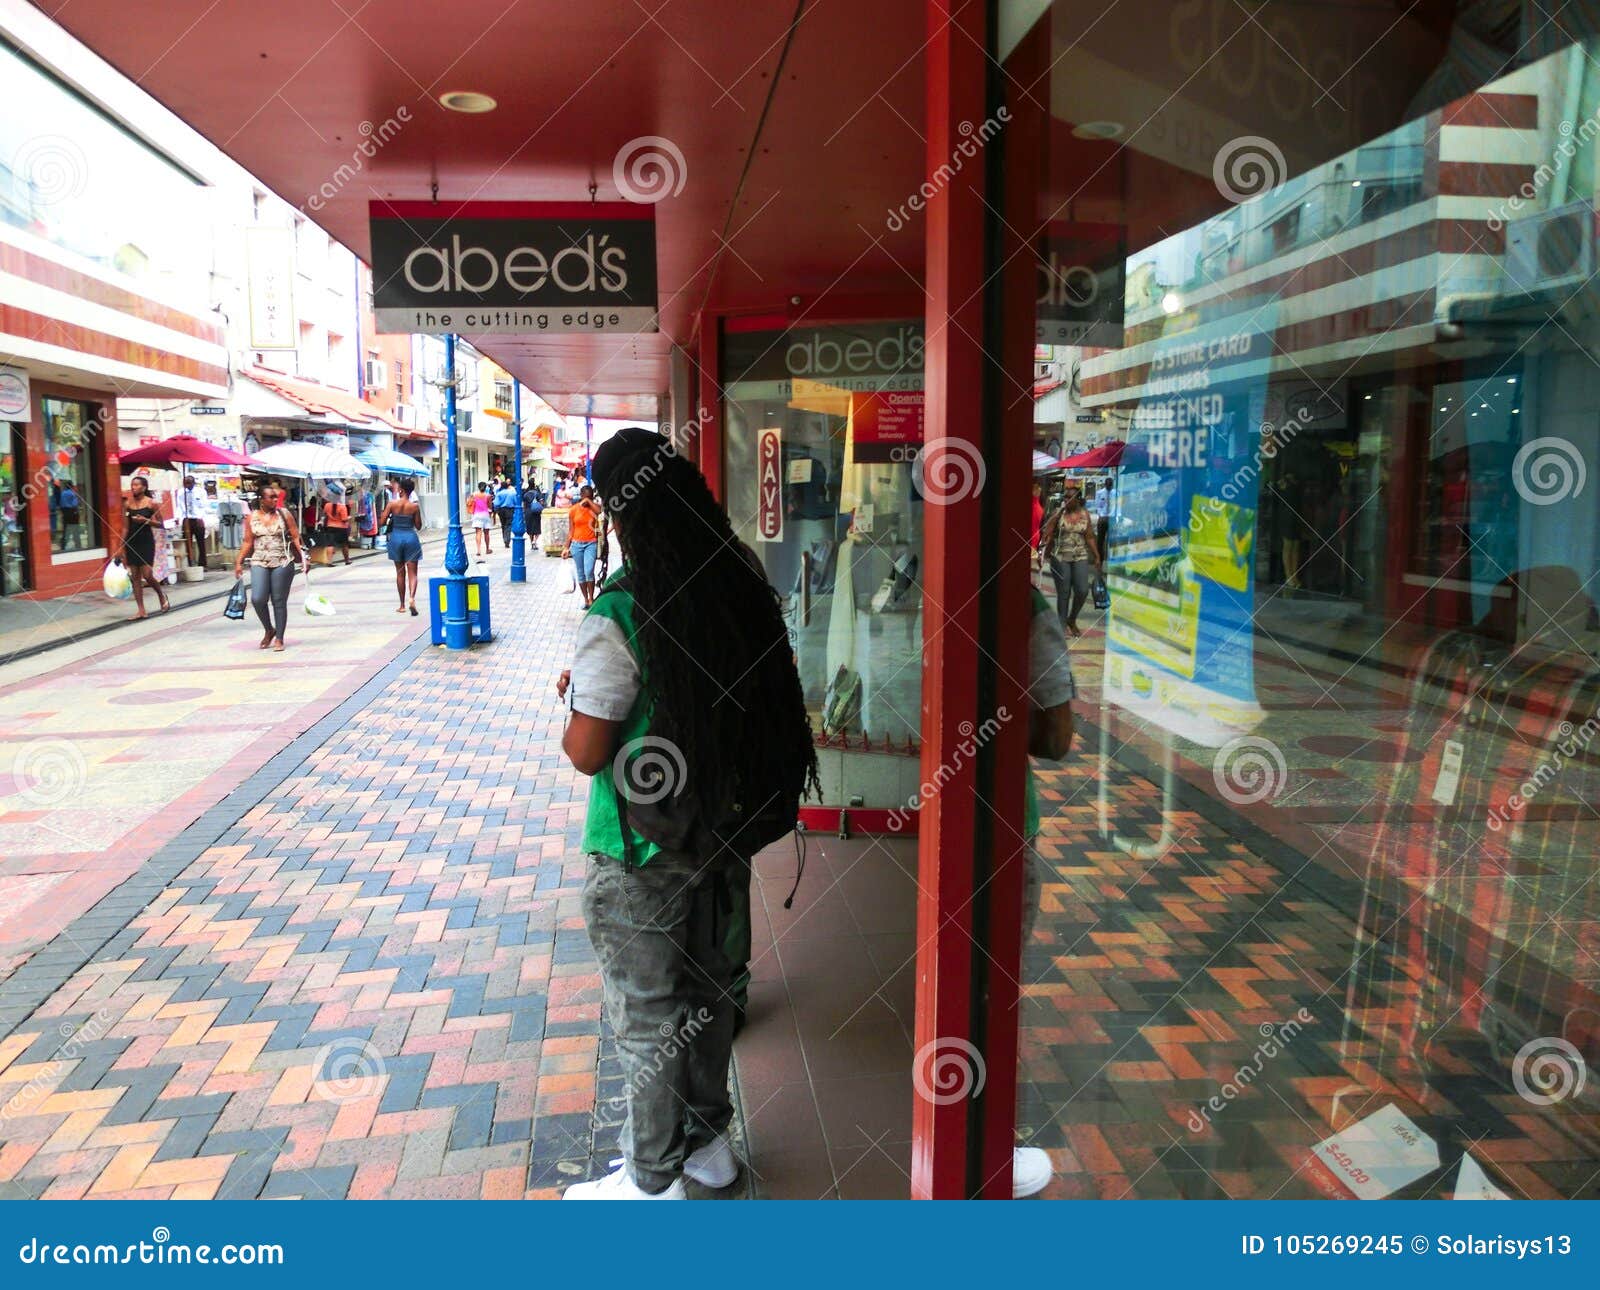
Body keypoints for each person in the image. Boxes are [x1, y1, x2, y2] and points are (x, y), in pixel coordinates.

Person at [556, 427, 818, 1200]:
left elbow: (586, 750)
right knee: (707, 998)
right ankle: (707, 1147)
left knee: (646, 1018)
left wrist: (575, 699)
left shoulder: (623, 605)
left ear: (618, 509)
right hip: (718, 841)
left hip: (640, 850)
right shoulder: (736, 583)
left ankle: (651, 1184)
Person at [1012, 583, 1078, 1197]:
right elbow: (1057, 736)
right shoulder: (1025, 606)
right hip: (1001, 821)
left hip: (918, 808)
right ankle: (983, 1140)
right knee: (991, 982)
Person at [234, 485, 306, 652]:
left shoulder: (284, 514)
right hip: (259, 560)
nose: (275, 500)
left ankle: (279, 637)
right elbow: (247, 541)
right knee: (258, 599)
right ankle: (269, 629)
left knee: (278, 600)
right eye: (271, 497)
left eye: (276, 497)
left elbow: (296, 536)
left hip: (282, 559)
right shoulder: (252, 517)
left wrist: (304, 557)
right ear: (261, 499)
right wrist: (239, 561)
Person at [1041, 487, 1100, 637]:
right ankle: (1061, 625)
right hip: (1060, 556)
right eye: (1065, 498)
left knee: (1082, 590)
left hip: (1080, 556)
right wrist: (1057, 514)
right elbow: (1046, 533)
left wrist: (1097, 555)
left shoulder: (1084, 514)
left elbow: (1089, 536)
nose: (1066, 500)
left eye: (1069, 498)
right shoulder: (1058, 513)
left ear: (1077, 499)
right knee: (1064, 591)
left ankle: (1071, 619)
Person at [121, 475, 169, 620]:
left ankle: (161, 595)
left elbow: (161, 524)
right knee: (135, 577)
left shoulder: (151, 504)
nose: (133, 487)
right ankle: (141, 610)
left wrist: (146, 521)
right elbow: (125, 527)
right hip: (132, 542)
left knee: (147, 575)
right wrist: (121, 546)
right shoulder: (127, 504)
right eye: (132, 485)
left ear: (144, 487)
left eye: (136, 485)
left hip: (146, 542)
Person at [379, 477, 424, 615]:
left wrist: (392, 518)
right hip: (411, 538)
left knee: (400, 573)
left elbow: (381, 522)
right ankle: (412, 598)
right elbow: (418, 526)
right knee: (413, 573)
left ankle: (402, 605)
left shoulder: (392, 504)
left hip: (396, 538)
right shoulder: (414, 506)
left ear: (401, 490)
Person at [563, 484, 602, 608]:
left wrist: (589, 502)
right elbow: (571, 530)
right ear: (580, 496)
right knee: (581, 573)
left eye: (590, 497)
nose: (587, 499)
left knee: (589, 570)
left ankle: (591, 597)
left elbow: (599, 511)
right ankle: (586, 599)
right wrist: (566, 547)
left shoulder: (594, 508)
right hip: (576, 545)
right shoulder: (574, 510)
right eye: (585, 497)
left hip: (591, 543)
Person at [176, 474, 206, 567]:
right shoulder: (181, 492)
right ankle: (190, 563)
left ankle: (203, 564)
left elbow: (204, 505)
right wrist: (179, 517)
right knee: (187, 542)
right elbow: (179, 506)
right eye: (185, 483)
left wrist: (200, 517)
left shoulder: (200, 492)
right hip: (187, 519)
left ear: (193, 483)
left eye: (189, 483)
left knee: (200, 542)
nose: (187, 485)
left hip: (197, 518)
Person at [320, 484, 352, 565]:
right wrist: (349, 517)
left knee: (330, 544)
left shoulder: (327, 505)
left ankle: (329, 561)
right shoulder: (342, 507)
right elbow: (344, 519)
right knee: (344, 545)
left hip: (330, 526)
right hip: (341, 528)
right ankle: (347, 560)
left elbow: (325, 514)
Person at [468, 482, 494, 561]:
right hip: (485, 515)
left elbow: (470, 503)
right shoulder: (488, 496)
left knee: (478, 533)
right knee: (486, 533)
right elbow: (489, 506)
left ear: (478, 487)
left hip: (476, 515)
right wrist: (491, 513)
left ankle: (478, 550)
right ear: (486, 488)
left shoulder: (474, 495)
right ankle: (487, 549)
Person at [493, 477, 518, 548]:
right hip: (510, 509)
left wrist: (496, 510)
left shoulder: (499, 494)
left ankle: (504, 538)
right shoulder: (512, 493)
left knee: (503, 524)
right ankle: (507, 540)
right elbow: (516, 502)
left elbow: (496, 503)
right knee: (508, 524)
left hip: (501, 510)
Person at [58, 480, 83, 552]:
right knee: (75, 531)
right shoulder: (72, 493)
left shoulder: (63, 493)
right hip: (73, 513)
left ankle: (63, 546)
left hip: (65, 513)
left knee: (66, 531)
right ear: (71, 486)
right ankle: (78, 546)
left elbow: (61, 504)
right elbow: (75, 504)